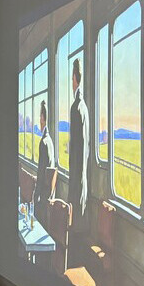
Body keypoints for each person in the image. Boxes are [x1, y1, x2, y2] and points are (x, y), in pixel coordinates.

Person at [68, 58, 90, 229]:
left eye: (71, 79)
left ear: (75, 79)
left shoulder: (76, 108)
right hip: (81, 178)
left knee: (73, 229)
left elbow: (77, 151)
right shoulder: (84, 107)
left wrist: (73, 185)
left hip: (76, 180)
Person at [34, 100, 56, 209]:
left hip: (43, 195)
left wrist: (35, 195)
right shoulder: (50, 141)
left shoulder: (43, 142)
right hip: (50, 193)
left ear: (42, 118)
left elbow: (41, 172)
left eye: (39, 117)